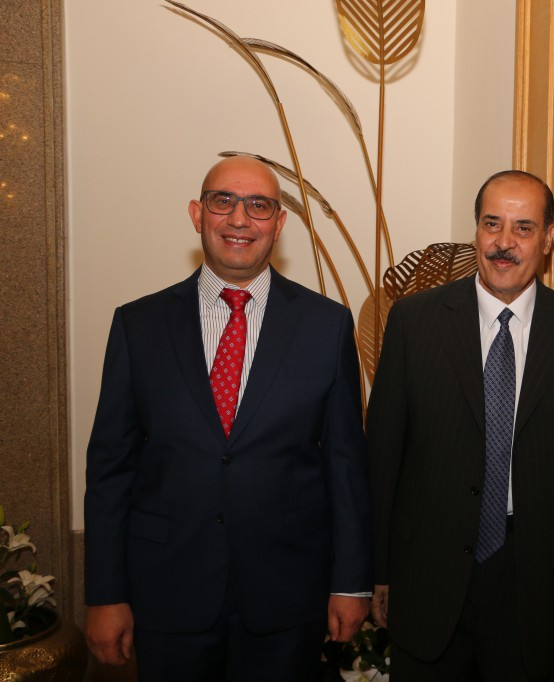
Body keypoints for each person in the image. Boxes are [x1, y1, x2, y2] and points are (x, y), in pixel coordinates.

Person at [83, 156, 371, 681]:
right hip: (167, 595)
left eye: (259, 205)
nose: (240, 219)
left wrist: (351, 583)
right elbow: (110, 470)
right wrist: (105, 594)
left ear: (279, 224)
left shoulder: (327, 327)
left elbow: (346, 464)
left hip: (288, 597)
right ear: (198, 214)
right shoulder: (138, 325)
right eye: (224, 201)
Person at [366, 170, 554, 681]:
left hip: (534, 580)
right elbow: (383, 455)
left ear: (548, 238)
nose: (505, 242)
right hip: (428, 574)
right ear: (476, 230)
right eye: (492, 224)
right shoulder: (414, 321)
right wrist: (377, 570)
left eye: (524, 228)